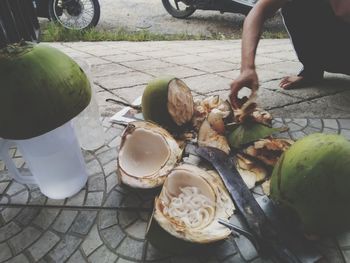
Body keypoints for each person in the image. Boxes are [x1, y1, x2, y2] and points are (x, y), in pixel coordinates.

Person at [229, 0, 350, 108]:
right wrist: (247, 68)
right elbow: (258, 11)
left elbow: (342, 11)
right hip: (333, 53)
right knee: (294, 4)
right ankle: (312, 70)